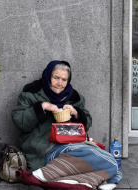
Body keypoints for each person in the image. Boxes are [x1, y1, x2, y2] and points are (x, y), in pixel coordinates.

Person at [11, 61, 122, 189]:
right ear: (48, 77)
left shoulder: (73, 97)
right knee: (107, 165)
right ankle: (72, 178)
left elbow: (88, 122)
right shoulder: (31, 94)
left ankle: (52, 177)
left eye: (64, 80)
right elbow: (19, 121)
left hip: (71, 144)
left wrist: (75, 113)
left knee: (110, 161)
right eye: (56, 78)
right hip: (44, 148)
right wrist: (42, 107)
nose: (60, 84)